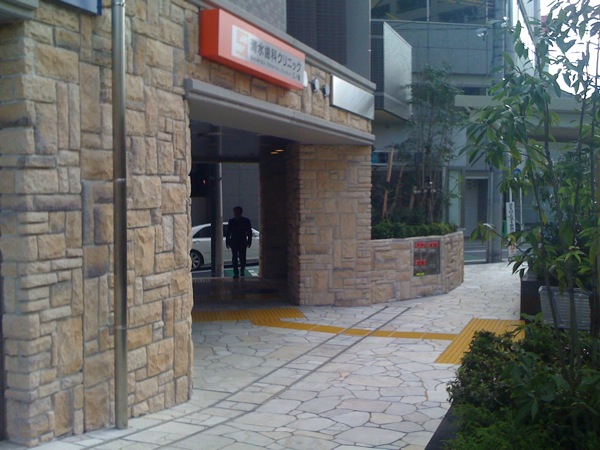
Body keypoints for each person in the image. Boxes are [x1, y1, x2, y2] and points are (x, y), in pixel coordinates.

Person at [225, 206, 252, 279]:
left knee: (242, 257)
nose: (235, 213)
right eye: (235, 212)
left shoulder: (245, 221)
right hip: (235, 242)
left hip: (241, 241)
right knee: (235, 257)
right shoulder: (232, 221)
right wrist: (227, 242)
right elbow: (228, 232)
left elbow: (249, 232)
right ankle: (236, 272)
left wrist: (249, 241)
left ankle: (242, 269)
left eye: (236, 212)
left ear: (240, 212)